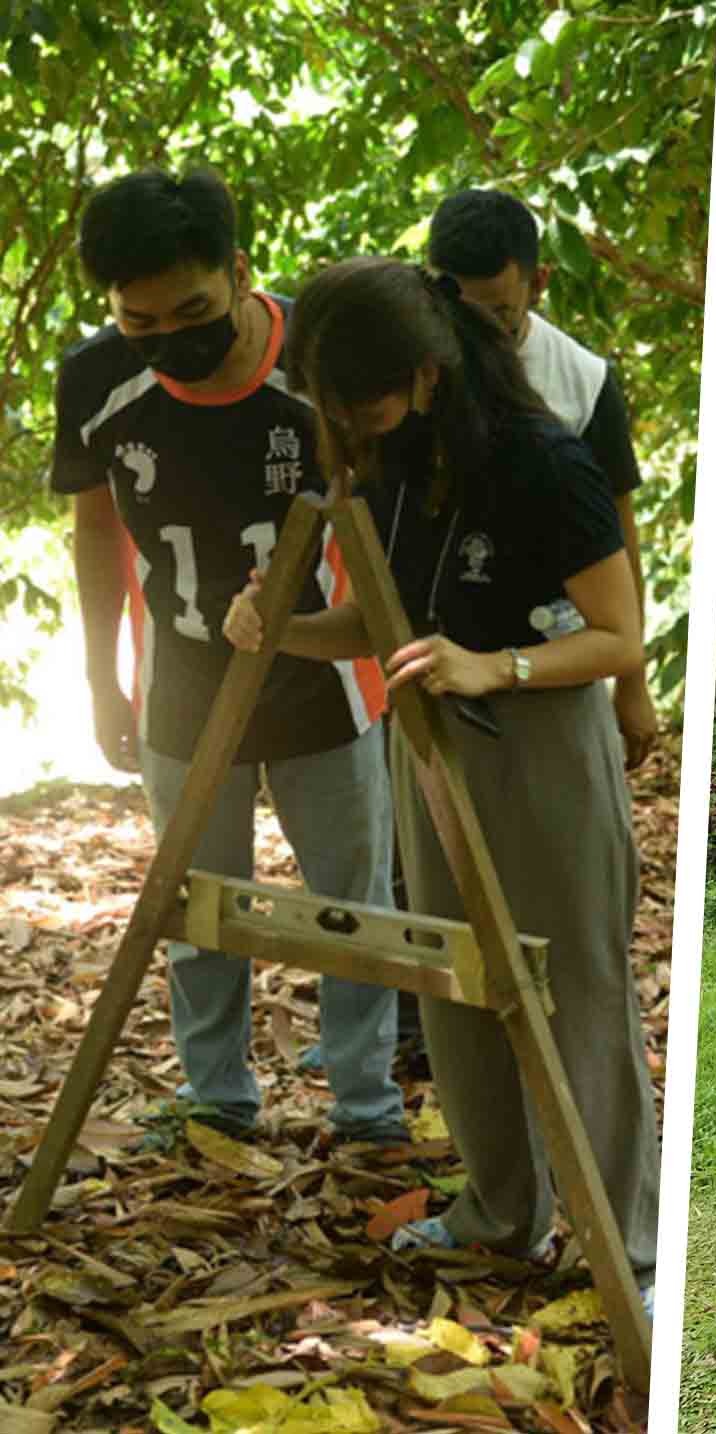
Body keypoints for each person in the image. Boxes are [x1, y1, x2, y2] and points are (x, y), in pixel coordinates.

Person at [230, 255, 657, 1308]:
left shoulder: (537, 460)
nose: (350, 425)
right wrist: (280, 627)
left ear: (426, 370)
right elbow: (386, 624)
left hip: (539, 736)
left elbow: (617, 636)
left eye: (361, 402)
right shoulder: (387, 455)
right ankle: (502, 1217)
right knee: (461, 978)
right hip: (430, 739)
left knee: (575, 993)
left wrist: (493, 665)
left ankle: (632, 1253)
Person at [56, 168, 404, 1150]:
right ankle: (217, 1096)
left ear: (242, 272)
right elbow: (95, 534)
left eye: (194, 311)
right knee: (198, 905)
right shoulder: (96, 378)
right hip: (183, 680)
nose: (171, 339)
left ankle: (365, 1108)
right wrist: (101, 680)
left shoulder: (325, 362)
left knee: (351, 904)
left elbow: (388, 517)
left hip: (328, 673)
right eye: (140, 321)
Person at [428, 188, 656, 770]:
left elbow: (620, 532)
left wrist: (633, 685)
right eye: (462, 310)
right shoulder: (417, 362)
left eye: (499, 314)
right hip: (436, 661)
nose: (477, 331)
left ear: (539, 284)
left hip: (554, 658)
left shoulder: (582, 383)